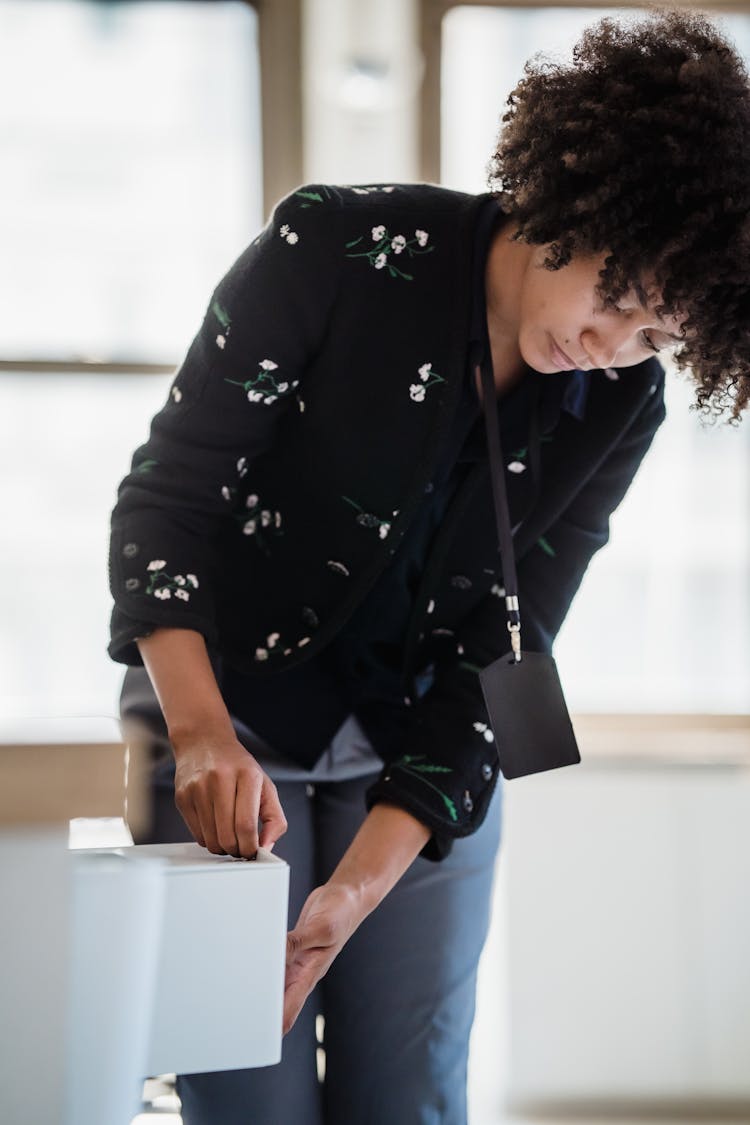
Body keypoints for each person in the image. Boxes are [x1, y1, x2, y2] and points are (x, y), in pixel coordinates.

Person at [109, 10, 750, 1123]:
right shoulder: (337, 253)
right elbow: (166, 506)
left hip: (426, 761)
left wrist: (358, 886)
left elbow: (516, 638)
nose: (610, 345)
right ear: (578, 204)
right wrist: (201, 736)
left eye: (654, 335)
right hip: (231, 722)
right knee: (242, 1096)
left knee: (409, 1097)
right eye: (613, 295)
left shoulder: (620, 403)